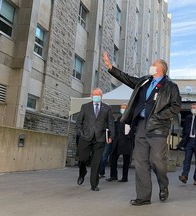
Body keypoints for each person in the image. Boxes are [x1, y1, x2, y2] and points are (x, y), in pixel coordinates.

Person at [103, 52, 181, 206]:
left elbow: (176, 106)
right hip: (141, 126)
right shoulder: (145, 81)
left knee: (157, 160)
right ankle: (143, 197)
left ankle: (163, 185)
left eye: (153, 64)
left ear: (160, 69)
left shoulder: (170, 87)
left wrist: (158, 116)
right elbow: (128, 79)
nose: (150, 67)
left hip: (158, 128)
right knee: (140, 162)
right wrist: (111, 68)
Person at [76, 88, 115, 191]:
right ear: (91, 95)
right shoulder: (85, 107)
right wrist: (80, 133)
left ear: (101, 96)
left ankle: (94, 184)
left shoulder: (107, 108)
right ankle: (82, 172)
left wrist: (111, 136)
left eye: (99, 95)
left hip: (100, 138)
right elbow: (79, 122)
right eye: (95, 94)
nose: (97, 96)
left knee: (96, 162)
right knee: (82, 159)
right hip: (85, 137)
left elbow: (111, 123)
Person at [106, 103, 134, 183]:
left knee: (126, 161)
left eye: (124, 108)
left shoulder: (130, 118)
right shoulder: (119, 118)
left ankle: (125, 177)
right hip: (117, 142)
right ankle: (113, 175)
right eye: (121, 107)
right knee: (113, 159)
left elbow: (134, 128)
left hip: (126, 142)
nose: (122, 109)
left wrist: (129, 136)